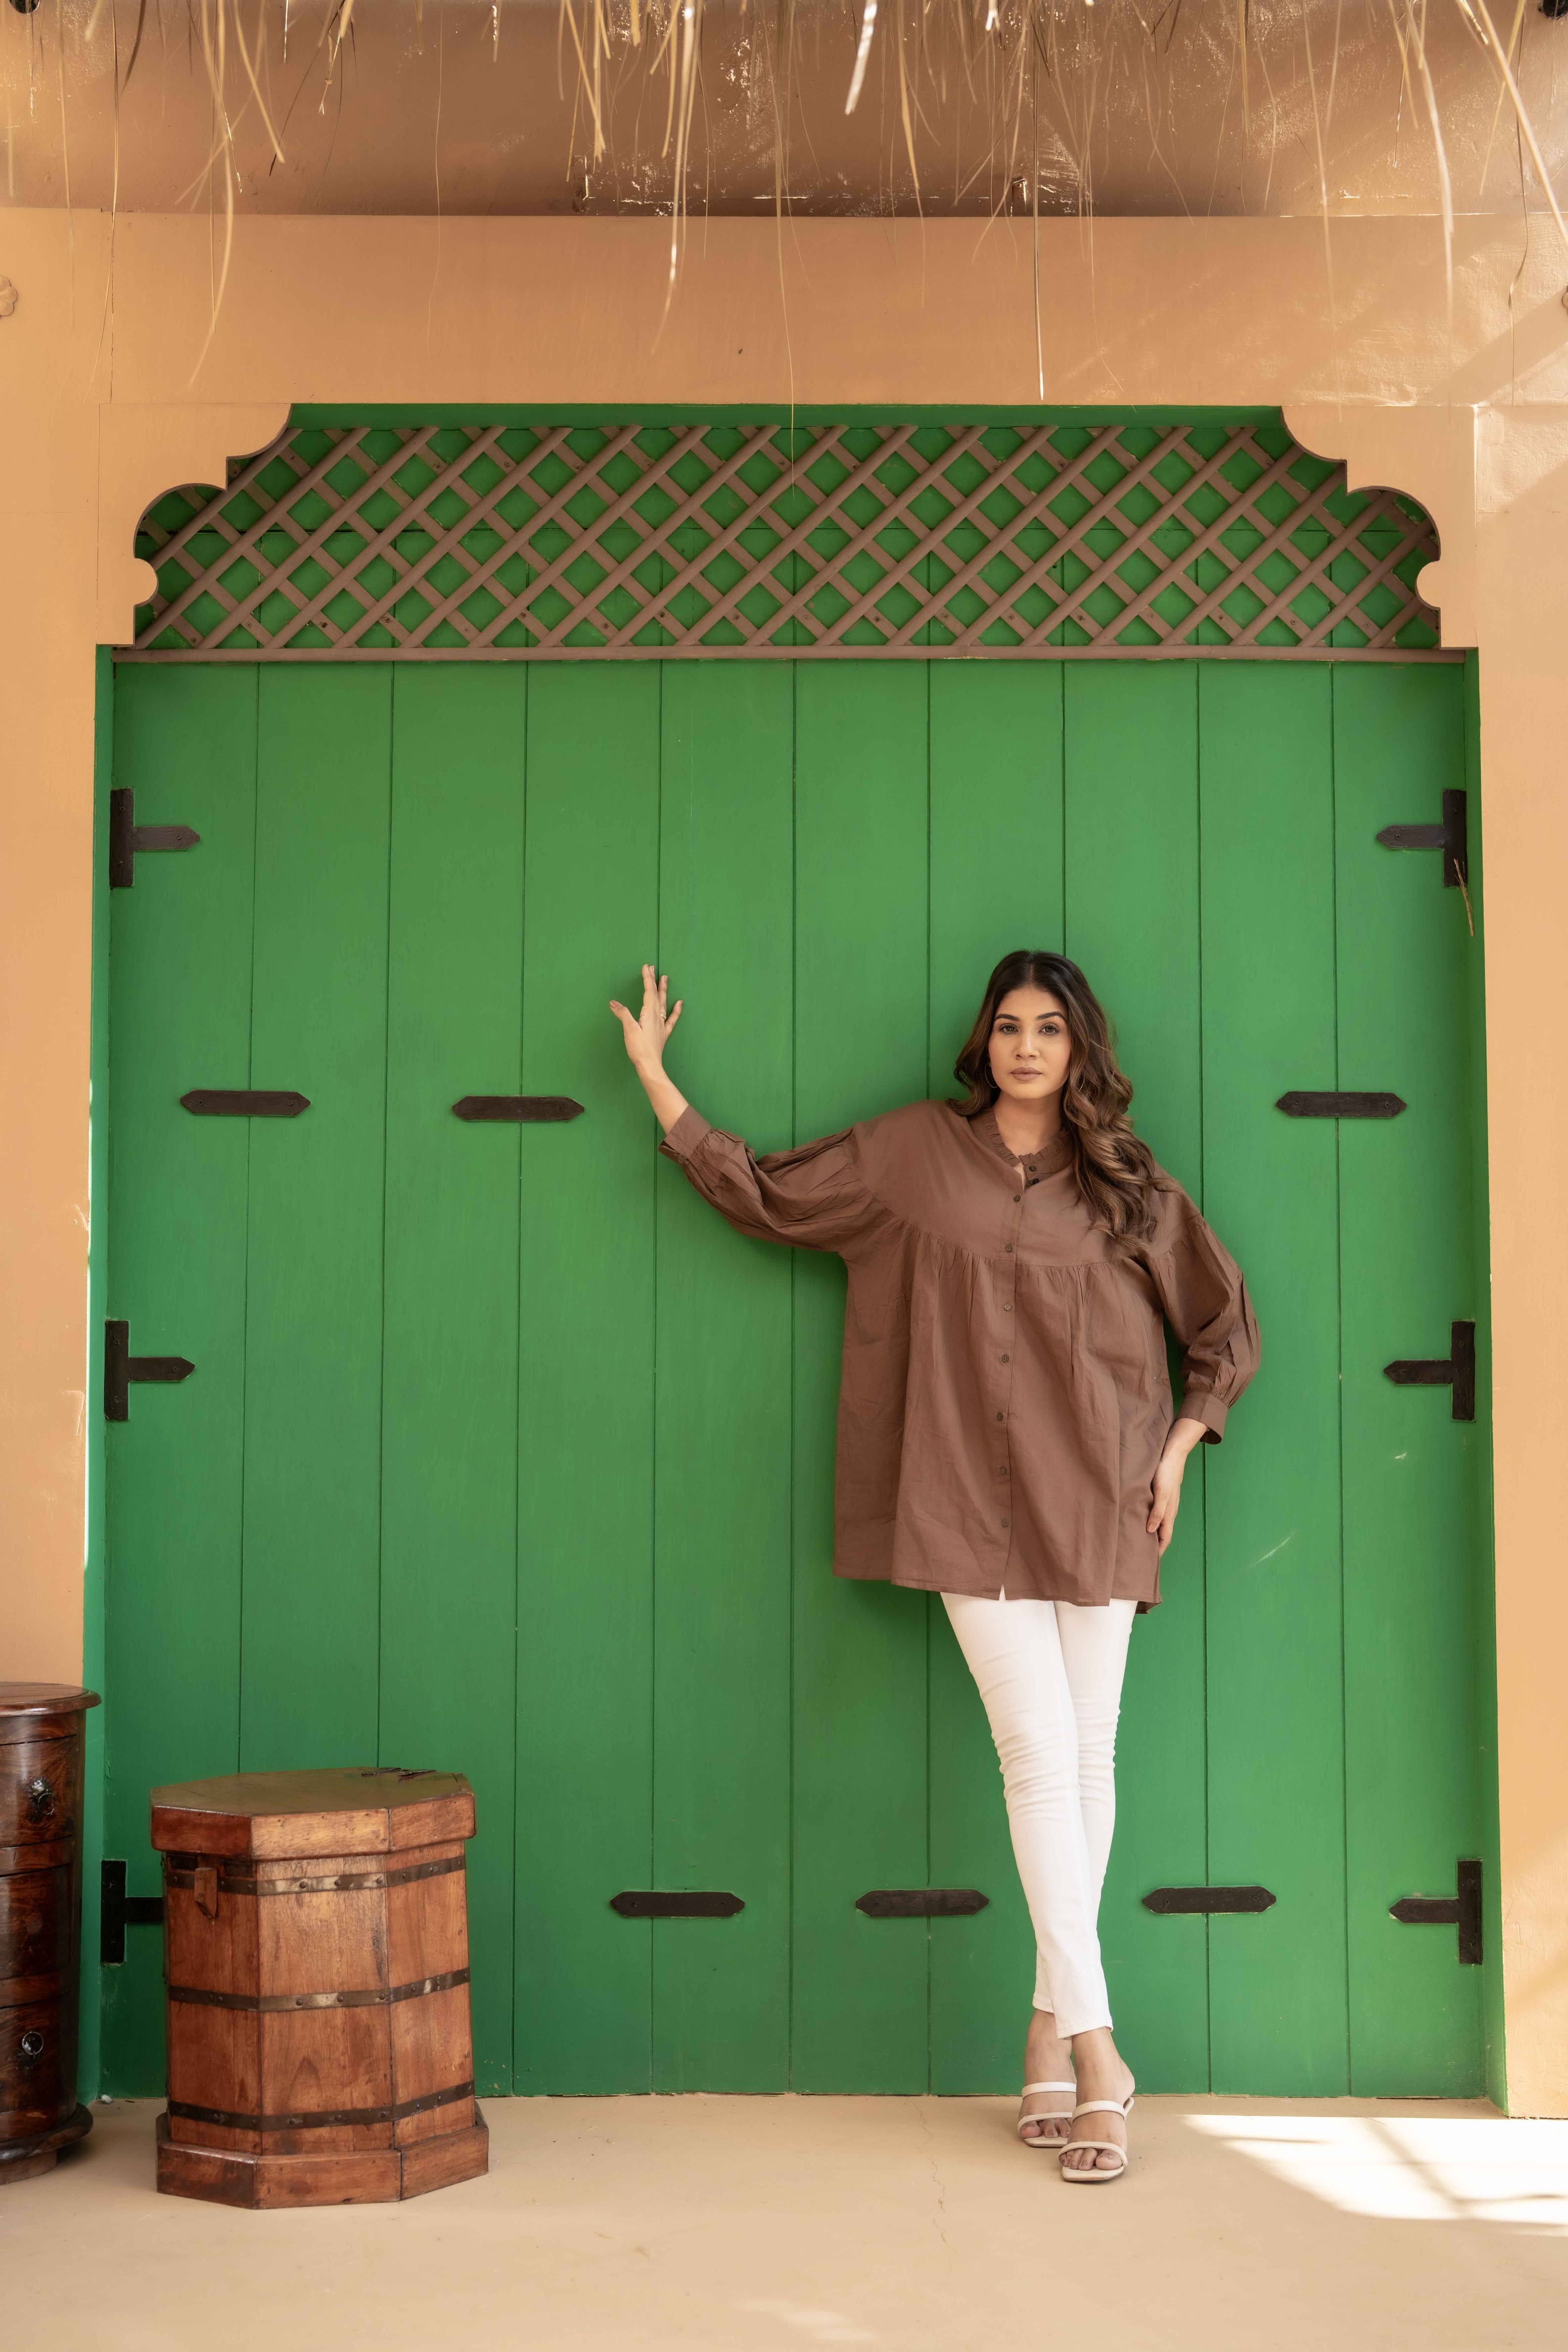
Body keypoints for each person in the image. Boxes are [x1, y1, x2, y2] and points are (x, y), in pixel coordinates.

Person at [610, 948, 1259, 2183]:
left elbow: (1223, 1324)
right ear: (985, 1042)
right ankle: (1101, 2052)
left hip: (1105, 1497)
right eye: (1009, 1026)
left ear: (1080, 1050)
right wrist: (656, 1079)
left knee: (1090, 1754)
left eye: (1051, 1029)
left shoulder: (1127, 1184)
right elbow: (769, 1194)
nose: (1027, 1046)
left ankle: (1040, 2026)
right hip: (962, 1496)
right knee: (1036, 1754)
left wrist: (1178, 1451)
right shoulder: (912, 1154)